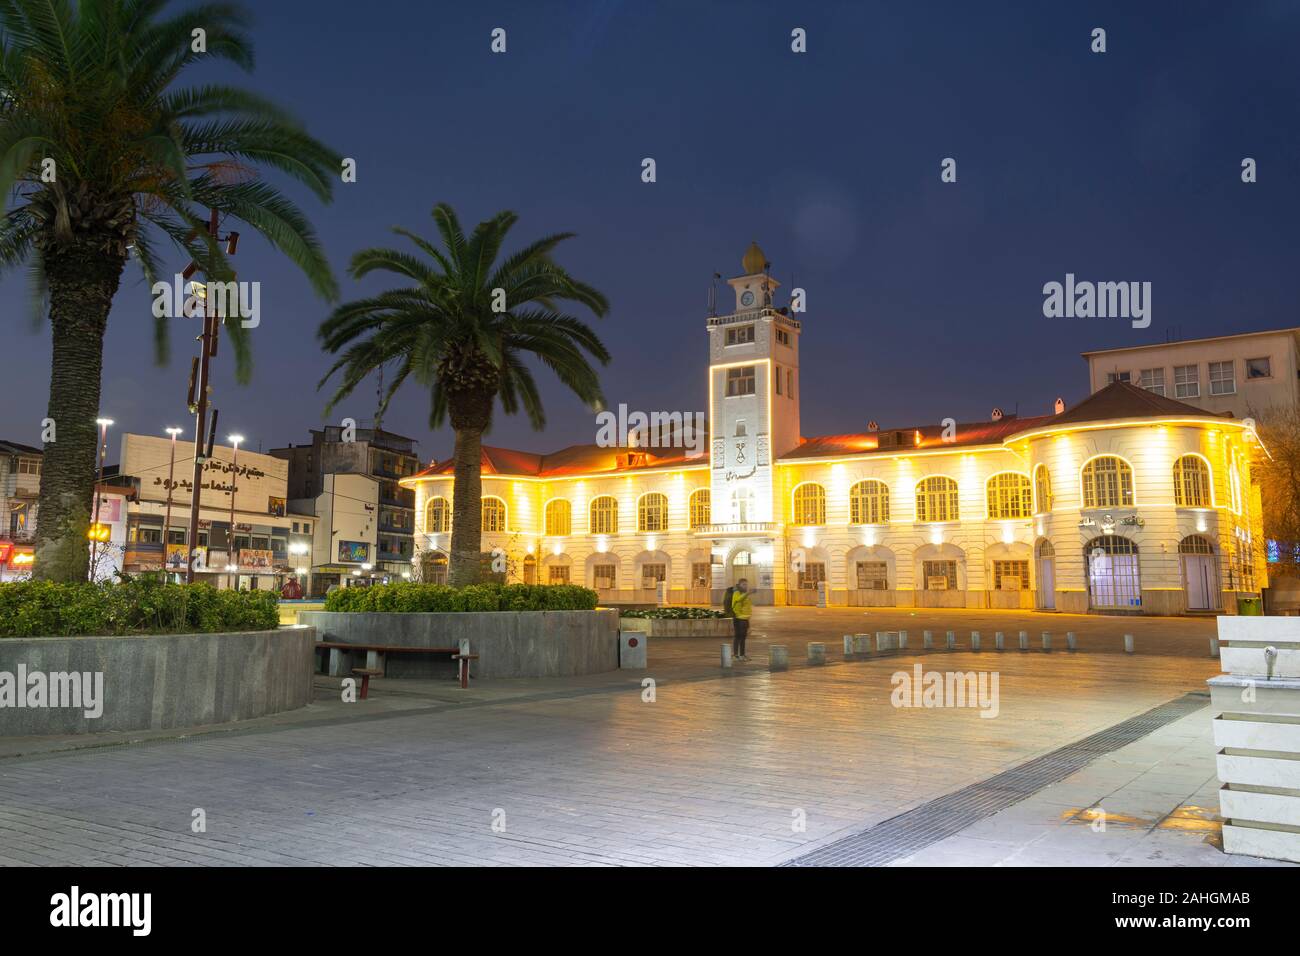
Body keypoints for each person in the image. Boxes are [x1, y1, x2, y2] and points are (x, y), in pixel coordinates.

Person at [731, 578, 752, 661]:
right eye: (744, 584)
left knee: (743, 637)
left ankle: (742, 655)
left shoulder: (744, 593)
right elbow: (739, 599)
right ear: (739, 585)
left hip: (745, 618)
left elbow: (747, 606)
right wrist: (747, 593)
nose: (746, 586)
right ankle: (735, 655)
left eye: (746, 584)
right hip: (738, 618)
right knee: (738, 636)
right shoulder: (736, 592)